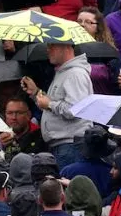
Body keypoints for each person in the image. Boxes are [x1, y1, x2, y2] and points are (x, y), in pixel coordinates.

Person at [21, 38, 92, 170]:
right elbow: (52, 105)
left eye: (52, 45)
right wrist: (35, 92)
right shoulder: (63, 72)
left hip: (71, 146)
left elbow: (75, 110)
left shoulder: (75, 74)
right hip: (63, 147)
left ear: (66, 46)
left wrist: (50, 104)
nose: (48, 49)